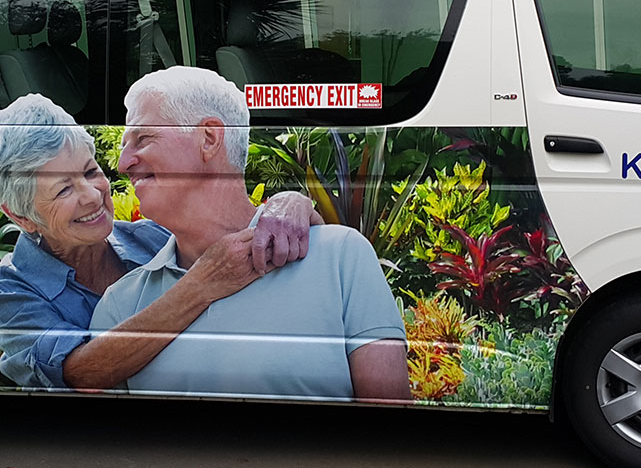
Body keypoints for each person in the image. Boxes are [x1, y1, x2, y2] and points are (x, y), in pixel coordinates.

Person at [89, 66, 411, 402]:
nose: (123, 162)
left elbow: (389, 428)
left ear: (209, 139)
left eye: (143, 138)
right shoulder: (119, 305)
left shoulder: (341, 257)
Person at [0, 94, 319, 391]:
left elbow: (260, 235)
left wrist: (290, 204)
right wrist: (201, 284)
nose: (92, 195)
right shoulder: (11, 288)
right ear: (21, 216)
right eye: (63, 190)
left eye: (90, 171)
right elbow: (81, 372)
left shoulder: (151, 235)